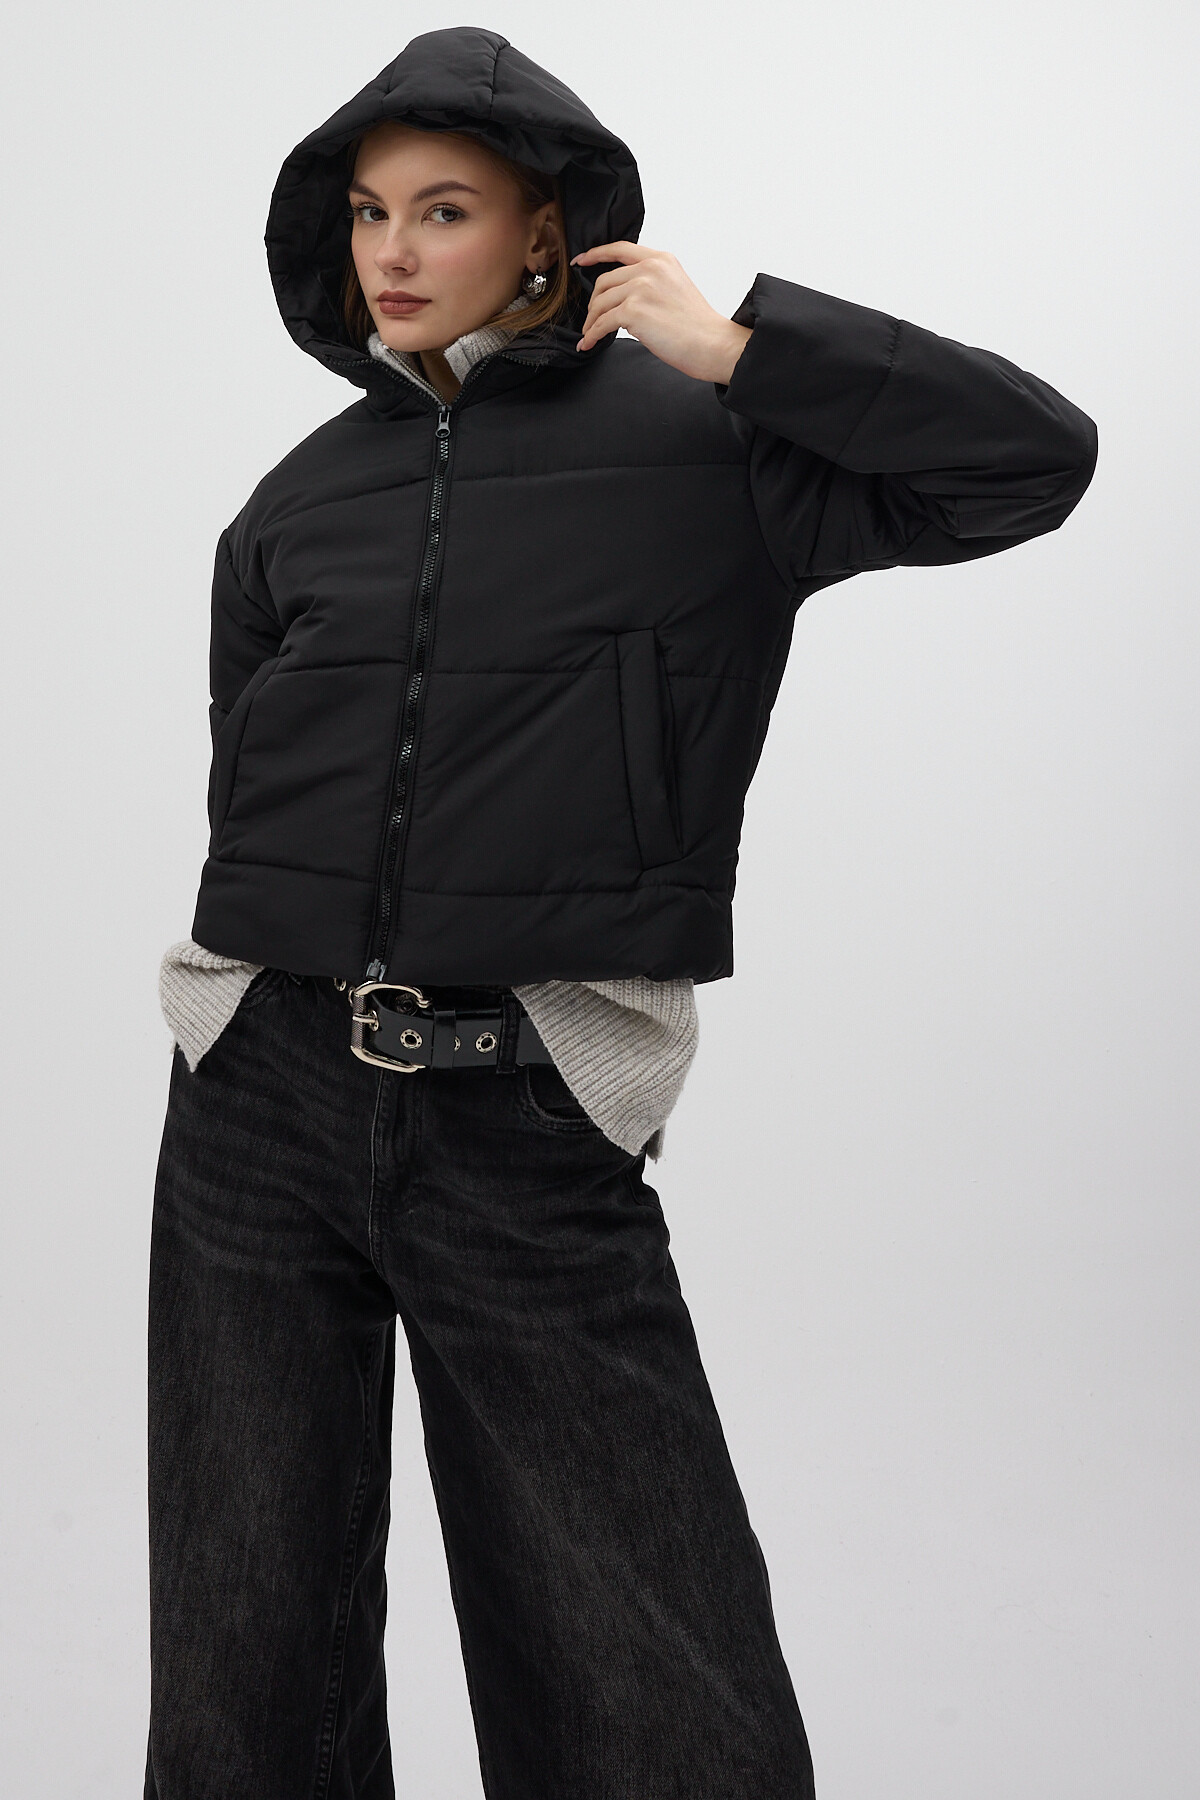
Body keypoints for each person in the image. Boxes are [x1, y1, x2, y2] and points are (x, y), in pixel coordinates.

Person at [145, 24, 1097, 1800]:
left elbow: (1032, 461)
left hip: (523, 1100)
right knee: (241, 1653)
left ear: (546, 229)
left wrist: (742, 349)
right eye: (367, 212)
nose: (392, 251)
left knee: (650, 1681)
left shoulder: (718, 445)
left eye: (443, 209)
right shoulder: (302, 495)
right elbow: (248, 769)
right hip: (254, 1101)